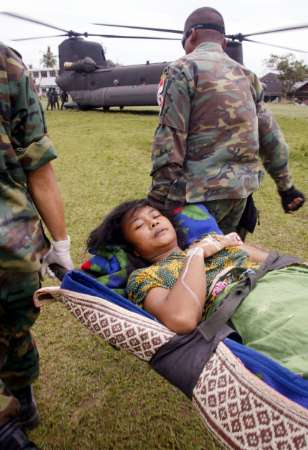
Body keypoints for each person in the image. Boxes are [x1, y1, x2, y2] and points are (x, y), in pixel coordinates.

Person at [87, 199, 308, 379]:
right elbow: (182, 318)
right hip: (255, 308)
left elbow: (274, 261)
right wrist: (196, 255)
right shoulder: (145, 277)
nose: (153, 223)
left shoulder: (211, 240)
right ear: (134, 250)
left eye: (155, 216)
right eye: (139, 226)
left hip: (286, 283)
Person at [148, 7, 305, 238]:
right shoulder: (249, 76)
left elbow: (170, 136)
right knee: (228, 263)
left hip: (195, 197)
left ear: (191, 36)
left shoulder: (181, 69)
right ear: (223, 42)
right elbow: (272, 138)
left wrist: (158, 199)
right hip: (239, 196)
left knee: (188, 266)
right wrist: (286, 187)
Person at [0, 44, 74, 449]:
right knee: (14, 332)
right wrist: (59, 243)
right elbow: (38, 167)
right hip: (15, 245)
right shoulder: (6, 60)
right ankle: (23, 402)